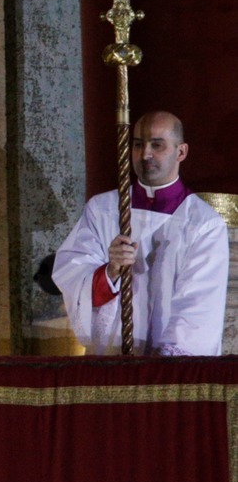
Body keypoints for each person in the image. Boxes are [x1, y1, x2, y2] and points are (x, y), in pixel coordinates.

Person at [53, 111, 228, 356]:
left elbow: (199, 307)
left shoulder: (204, 224)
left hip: (167, 369)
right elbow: (71, 270)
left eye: (157, 145)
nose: (145, 154)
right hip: (112, 356)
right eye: (137, 144)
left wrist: (162, 367)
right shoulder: (103, 209)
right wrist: (110, 271)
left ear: (181, 152)